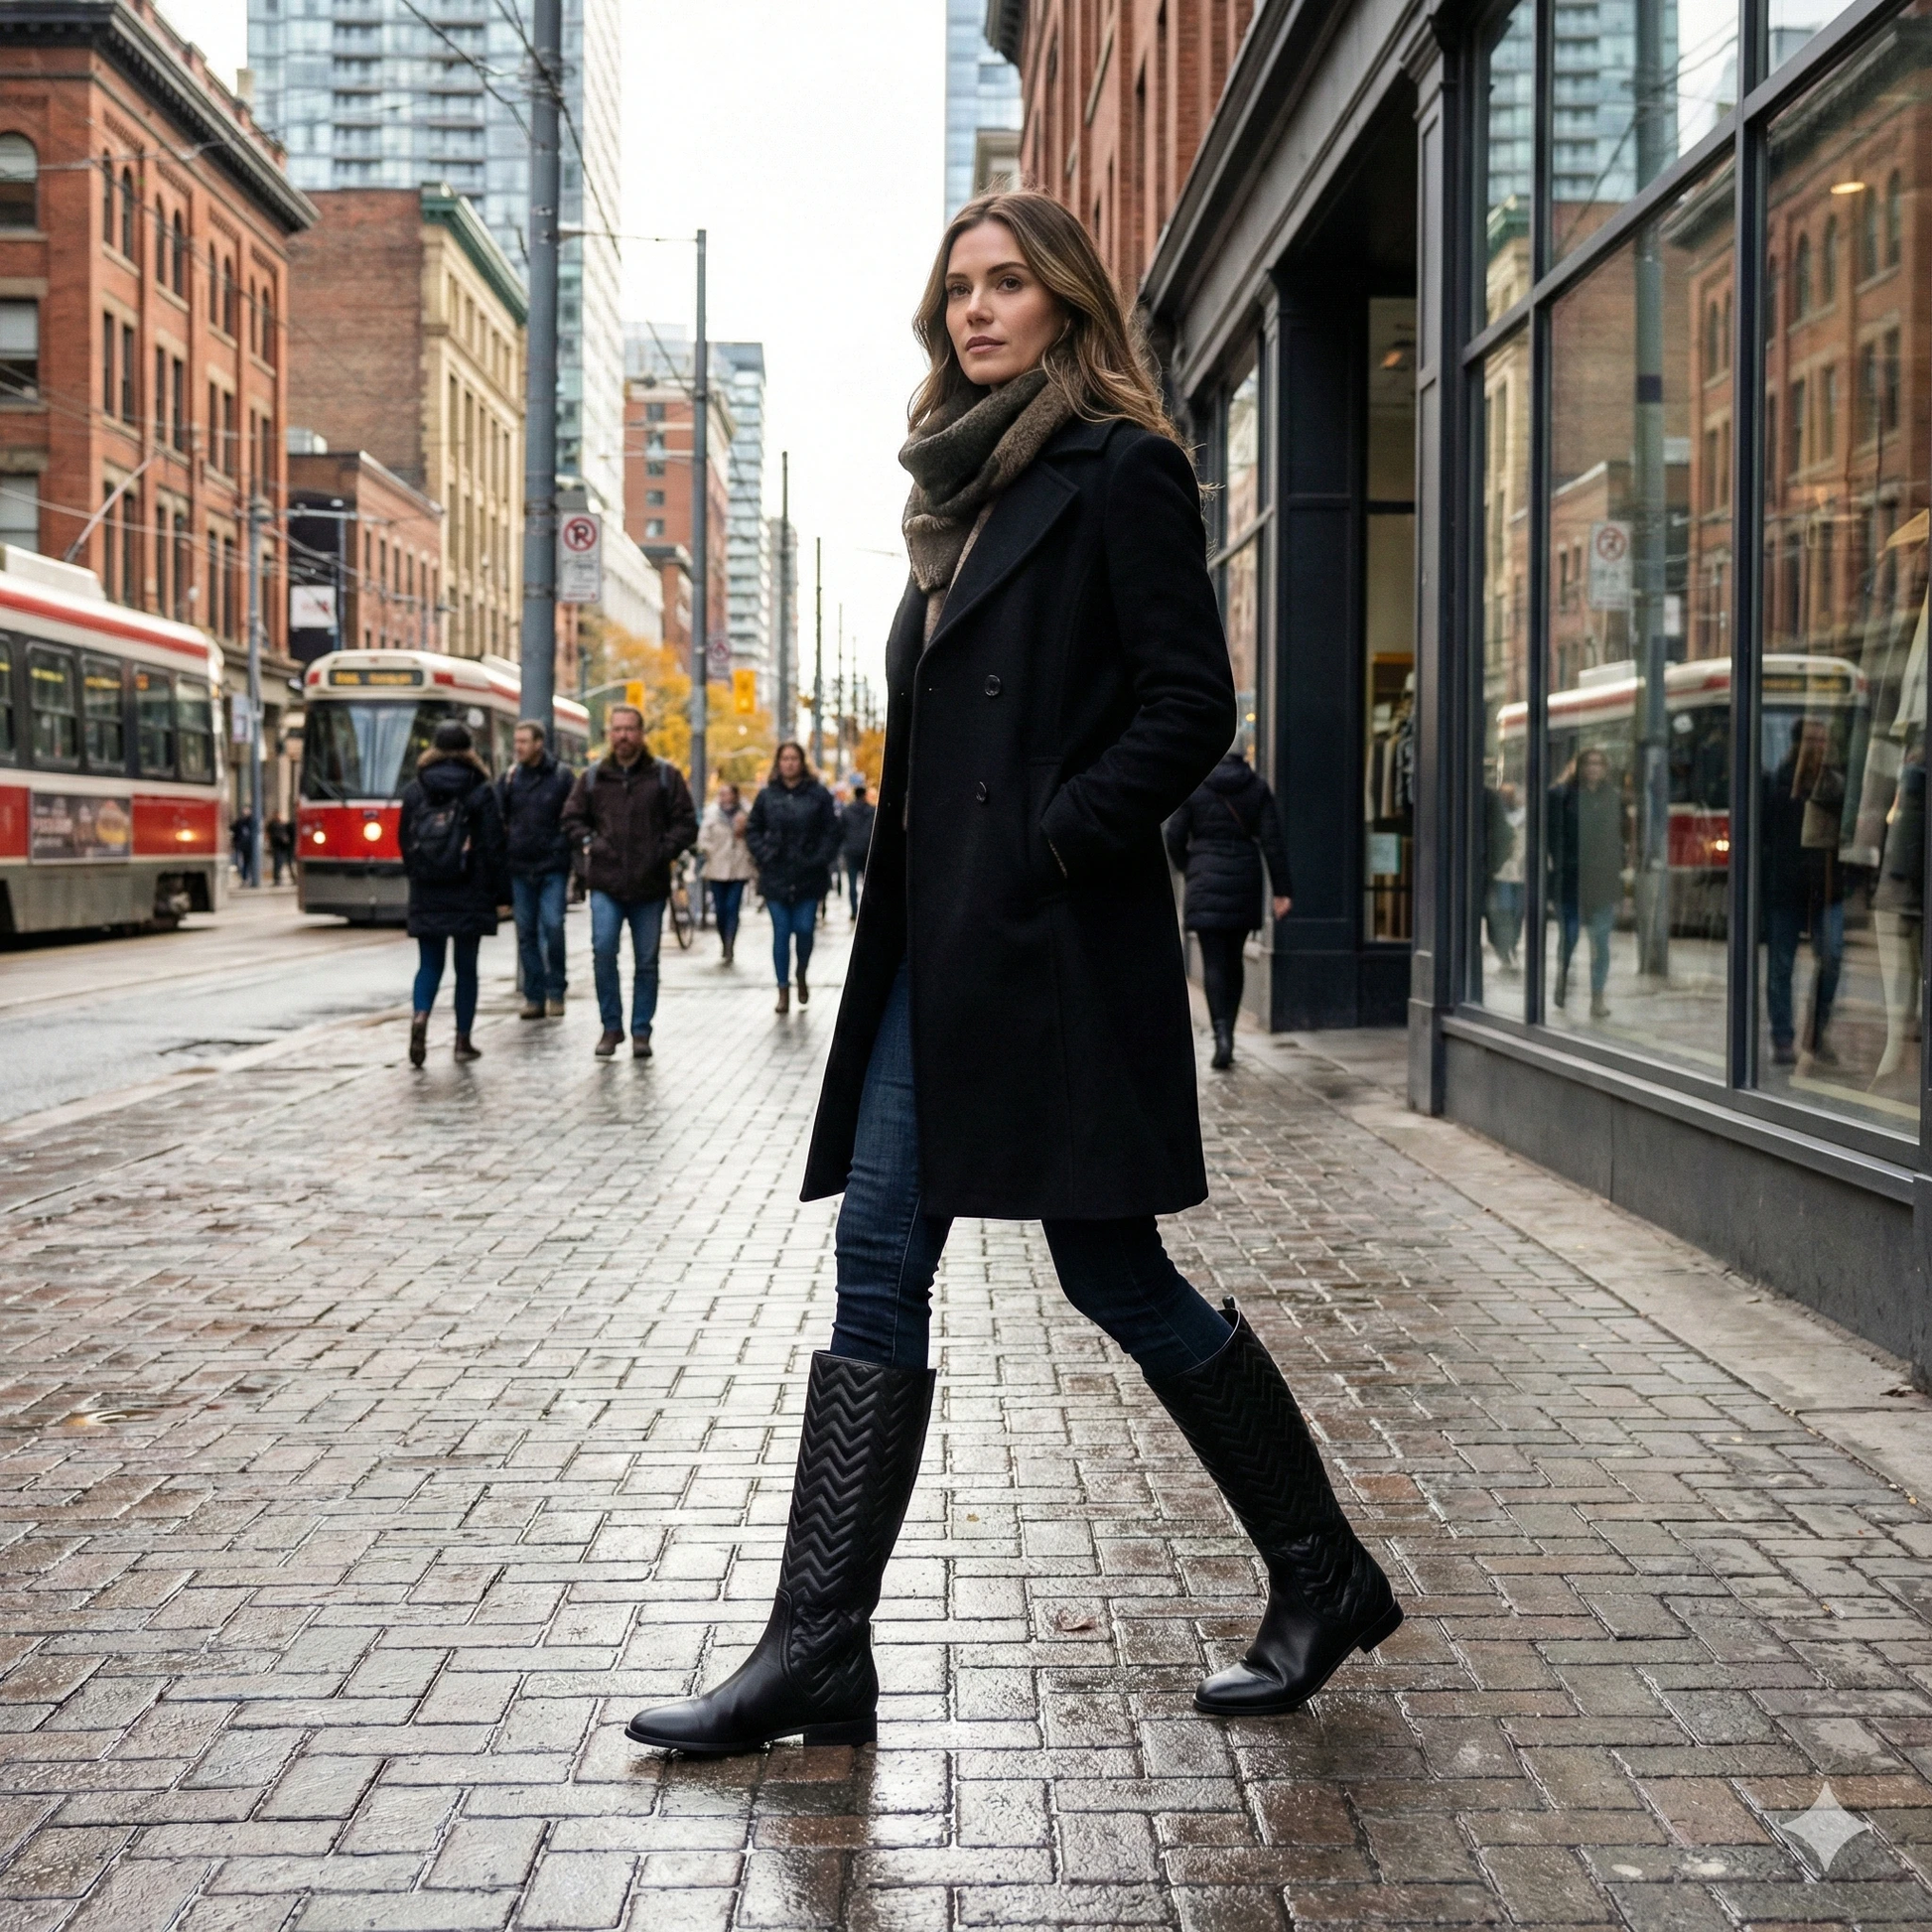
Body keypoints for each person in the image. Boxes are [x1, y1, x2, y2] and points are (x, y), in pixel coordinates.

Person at [627, 189, 1399, 1761]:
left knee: (1111, 1276)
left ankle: (1321, 1572)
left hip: (1051, 952)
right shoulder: (956, 488)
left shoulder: (1120, 468)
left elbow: (1189, 704)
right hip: (942, 946)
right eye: (957, 290)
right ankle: (818, 1647)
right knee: (881, 1253)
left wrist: (1058, 835)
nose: (974, 310)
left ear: (1066, 303)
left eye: (1006, 283)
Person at [561, 703, 697, 1060]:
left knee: (647, 961)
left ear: (641, 734)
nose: (623, 736)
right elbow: (571, 818)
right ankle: (611, 1027)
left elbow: (686, 823)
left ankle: (641, 1030)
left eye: (629, 729)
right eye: (617, 729)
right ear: (609, 734)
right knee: (604, 951)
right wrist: (591, 842)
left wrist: (663, 850)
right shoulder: (593, 777)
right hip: (605, 882)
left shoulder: (664, 776)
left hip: (649, 884)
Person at [1164, 749, 1292, 1069]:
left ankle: (1220, 1033)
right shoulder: (1256, 788)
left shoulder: (1195, 784)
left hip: (1205, 880)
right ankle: (1229, 1033)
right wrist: (1282, 891)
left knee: (1214, 963)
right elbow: (1273, 841)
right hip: (1244, 880)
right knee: (1234, 960)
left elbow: (1173, 836)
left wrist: (1191, 867)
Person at [398, 720, 509, 1066]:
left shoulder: (416, 788)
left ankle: (420, 1016)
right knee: (466, 967)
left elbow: (404, 839)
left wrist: (418, 874)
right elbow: (493, 844)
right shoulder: (480, 787)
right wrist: (501, 893)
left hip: (428, 888)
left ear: (434, 747)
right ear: (469, 749)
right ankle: (462, 1041)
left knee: (429, 964)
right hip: (469, 887)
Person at [1762, 716, 1848, 1067]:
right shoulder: (1779, 783)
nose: (1818, 748)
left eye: (1823, 741)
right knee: (1781, 966)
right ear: (1796, 745)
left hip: (1827, 888)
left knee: (1832, 957)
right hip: (1786, 888)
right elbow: (1765, 834)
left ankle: (1816, 1033)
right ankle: (1783, 1037)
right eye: (1811, 741)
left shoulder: (1836, 785)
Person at [746, 742, 840, 1014]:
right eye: (784, 758)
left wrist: (819, 857)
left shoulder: (818, 794)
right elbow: (753, 828)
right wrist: (764, 853)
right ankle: (783, 989)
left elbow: (832, 831)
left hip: (808, 875)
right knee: (782, 932)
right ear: (778, 763)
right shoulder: (767, 796)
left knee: (805, 929)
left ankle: (802, 971)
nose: (789, 763)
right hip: (775, 874)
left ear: (802, 762)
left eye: (794, 758)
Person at [498, 720, 575, 1019]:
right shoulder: (510, 778)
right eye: (516, 741)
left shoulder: (561, 777)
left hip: (552, 865)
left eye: (523, 742)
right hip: (520, 866)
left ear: (539, 744)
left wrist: (562, 847)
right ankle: (535, 996)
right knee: (526, 933)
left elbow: (574, 816)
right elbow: (500, 817)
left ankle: (556, 990)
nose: (517, 747)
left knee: (553, 926)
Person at [1548, 747, 1624, 1017]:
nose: (1593, 768)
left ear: (1605, 769)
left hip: (1602, 882)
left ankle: (1597, 998)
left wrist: (1619, 877)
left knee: (1600, 942)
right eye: (1588, 764)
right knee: (1569, 937)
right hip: (1571, 879)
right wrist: (1559, 867)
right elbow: (1553, 837)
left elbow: (1616, 839)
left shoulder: (1611, 797)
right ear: (1579, 768)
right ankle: (1562, 979)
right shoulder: (1563, 796)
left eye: (1598, 764)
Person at [697, 779, 757, 966]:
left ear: (735, 795)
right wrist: (709, 851)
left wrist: (744, 830)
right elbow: (703, 838)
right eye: (721, 794)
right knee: (720, 909)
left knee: (732, 907)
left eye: (727, 793)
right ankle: (724, 940)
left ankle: (730, 943)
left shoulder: (747, 813)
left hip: (739, 867)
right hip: (717, 867)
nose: (723, 797)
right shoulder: (712, 814)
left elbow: (755, 837)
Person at [838, 780, 876, 919]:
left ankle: (854, 910)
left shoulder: (846, 811)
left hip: (851, 851)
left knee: (852, 883)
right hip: (867, 850)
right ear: (864, 795)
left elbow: (841, 831)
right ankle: (867, 911)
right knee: (867, 883)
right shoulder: (872, 811)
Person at [266, 813, 295, 887]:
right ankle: (278, 879)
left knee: (286, 863)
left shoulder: (284, 825)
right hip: (278, 847)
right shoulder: (273, 825)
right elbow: (270, 835)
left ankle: (290, 878)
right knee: (279, 863)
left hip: (284, 847)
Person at [229, 808, 255, 887]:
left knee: (248, 863)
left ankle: (248, 878)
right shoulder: (240, 822)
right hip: (242, 845)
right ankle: (245, 878)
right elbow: (234, 830)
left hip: (248, 846)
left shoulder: (251, 822)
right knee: (242, 863)